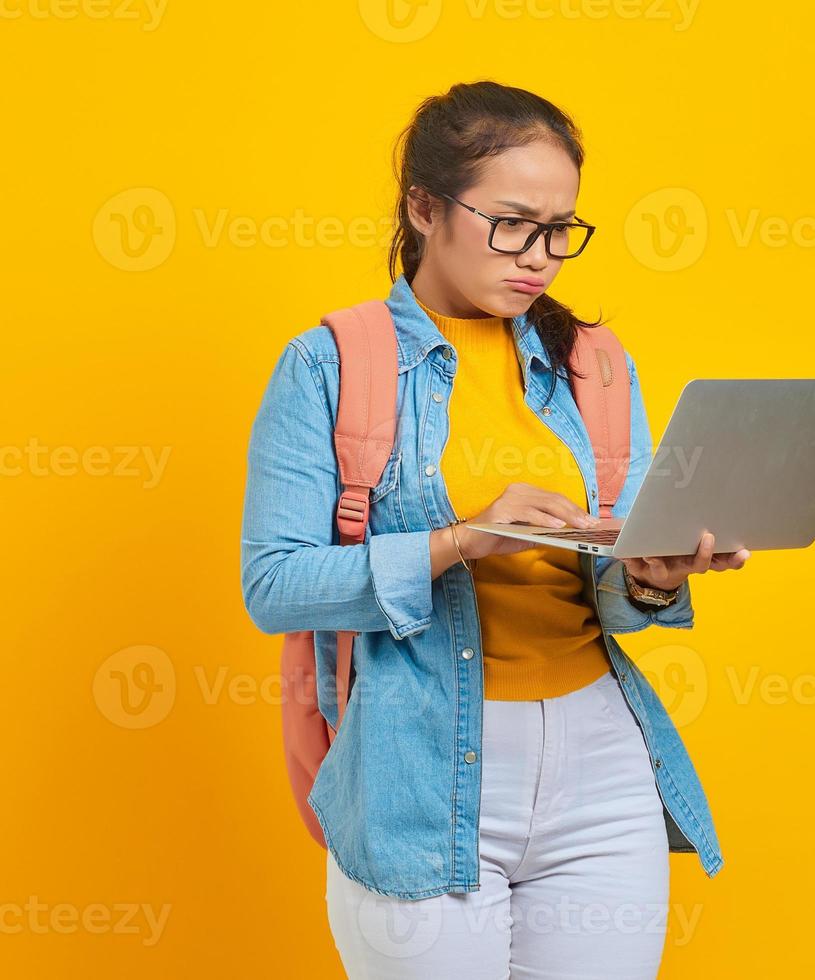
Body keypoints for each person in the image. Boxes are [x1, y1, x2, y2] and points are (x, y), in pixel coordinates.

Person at [240, 78, 747, 978]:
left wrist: (652, 574)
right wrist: (459, 541)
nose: (542, 256)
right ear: (424, 207)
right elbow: (274, 586)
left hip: (602, 765)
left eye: (561, 230)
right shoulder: (329, 363)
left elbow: (614, 594)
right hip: (415, 769)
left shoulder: (594, 364)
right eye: (513, 223)